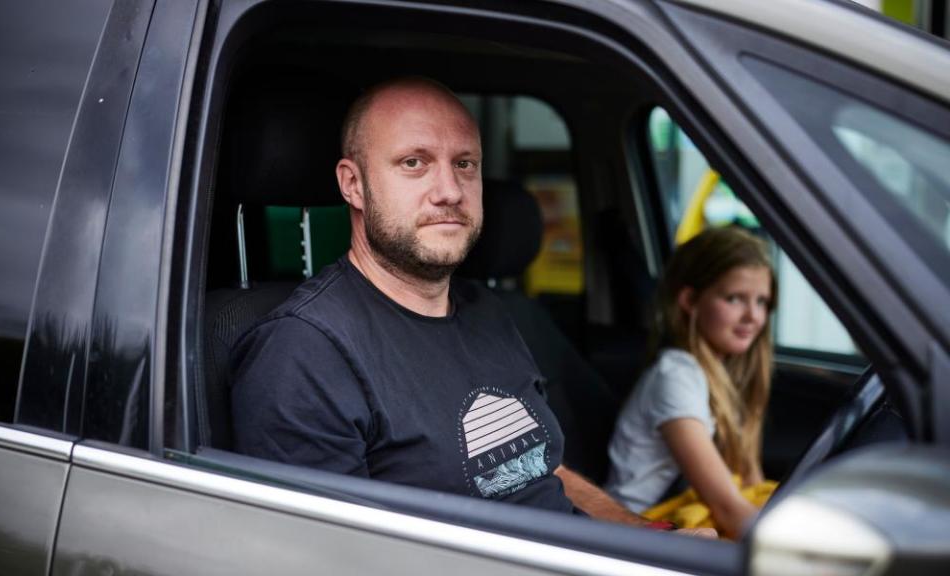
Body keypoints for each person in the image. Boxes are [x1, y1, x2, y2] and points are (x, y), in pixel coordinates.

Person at [230, 77, 709, 533]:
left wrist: (647, 536)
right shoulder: (304, 353)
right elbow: (324, 559)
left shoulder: (487, 310)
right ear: (352, 184)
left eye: (465, 164)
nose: (450, 191)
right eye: (414, 163)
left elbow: (541, 469)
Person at [605, 226, 777, 539]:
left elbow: (751, 483)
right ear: (690, 300)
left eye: (762, 302)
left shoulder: (725, 373)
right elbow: (727, 507)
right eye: (734, 298)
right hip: (640, 528)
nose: (753, 316)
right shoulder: (676, 376)